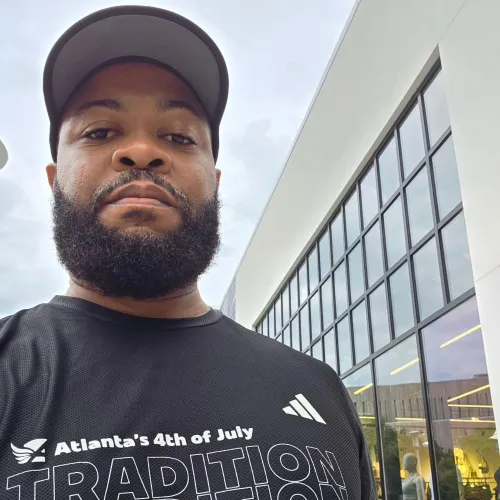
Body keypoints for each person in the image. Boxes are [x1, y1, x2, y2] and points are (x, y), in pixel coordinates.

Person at [0, 6, 376, 499]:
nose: (140, 152)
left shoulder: (319, 390)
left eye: (178, 137)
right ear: (54, 182)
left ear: (214, 183)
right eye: (100, 132)